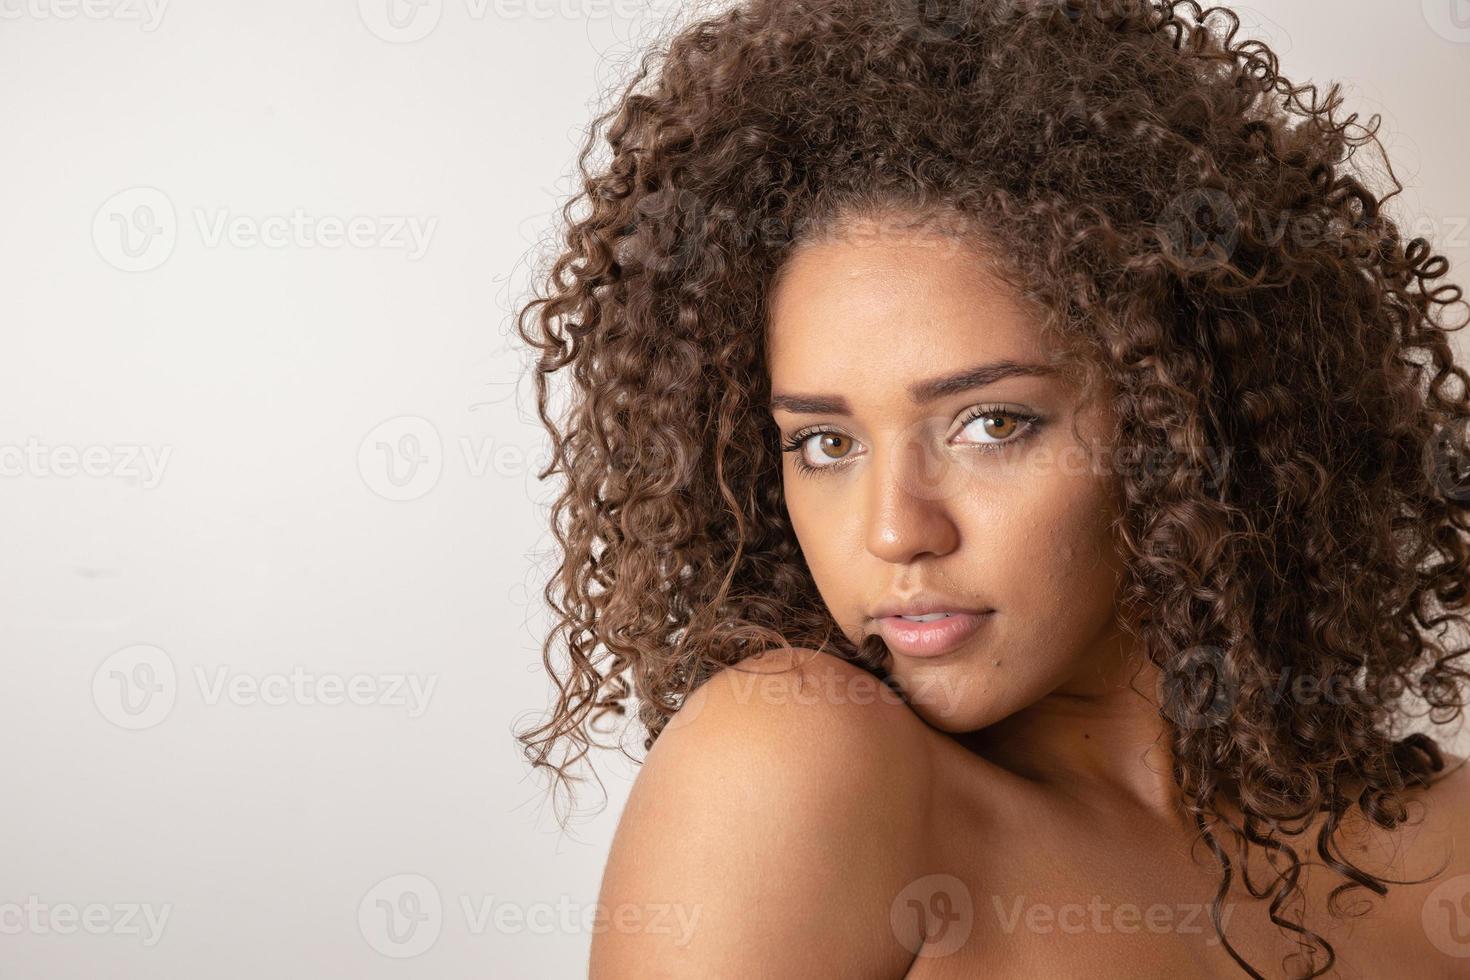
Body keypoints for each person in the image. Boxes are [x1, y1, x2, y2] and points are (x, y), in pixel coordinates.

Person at [512, 1, 1470, 976]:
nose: (894, 530)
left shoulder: (1448, 854)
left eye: (991, 424)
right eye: (827, 441)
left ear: (1183, 418)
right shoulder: (802, 763)